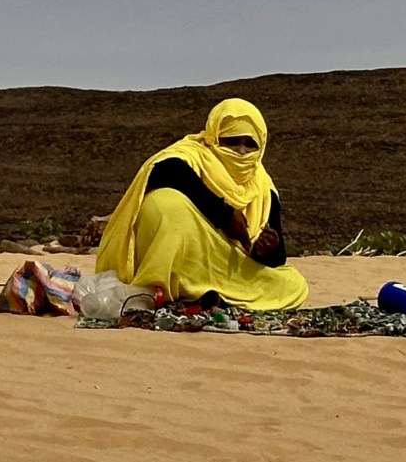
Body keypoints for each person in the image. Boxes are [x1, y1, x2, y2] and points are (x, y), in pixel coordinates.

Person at [97, 97, 308, 310]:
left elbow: (276, 259)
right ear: (214, 137)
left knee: (293, 284)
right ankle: (159, 288)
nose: (241, 151)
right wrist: (225, 216)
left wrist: (265, 251)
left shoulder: (263, 187)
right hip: (182, 260)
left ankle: (210, 295)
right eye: (232, 141)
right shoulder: (192, 155)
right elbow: (164, 171)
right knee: (166, 203)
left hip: (223, 266)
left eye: (249, 144)